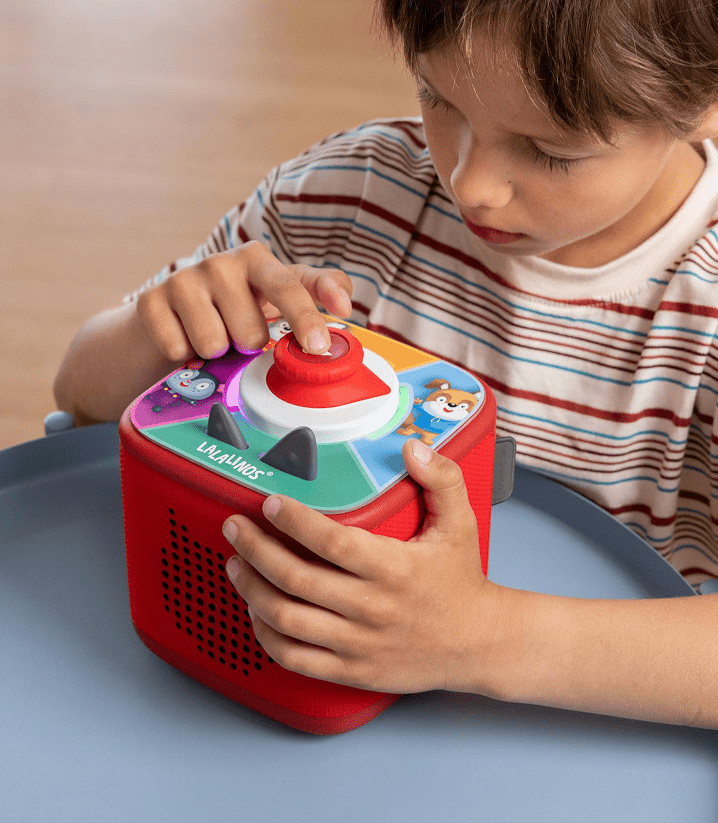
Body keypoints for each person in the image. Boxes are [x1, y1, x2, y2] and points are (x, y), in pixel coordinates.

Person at [54, 0, 718, 727]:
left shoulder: (701, 307)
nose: (471, 182)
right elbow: (81, 399)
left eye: (549, 150)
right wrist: (162, 333)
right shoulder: (349, 195)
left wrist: (484, 636)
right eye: (438, 97)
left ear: (703, 98)